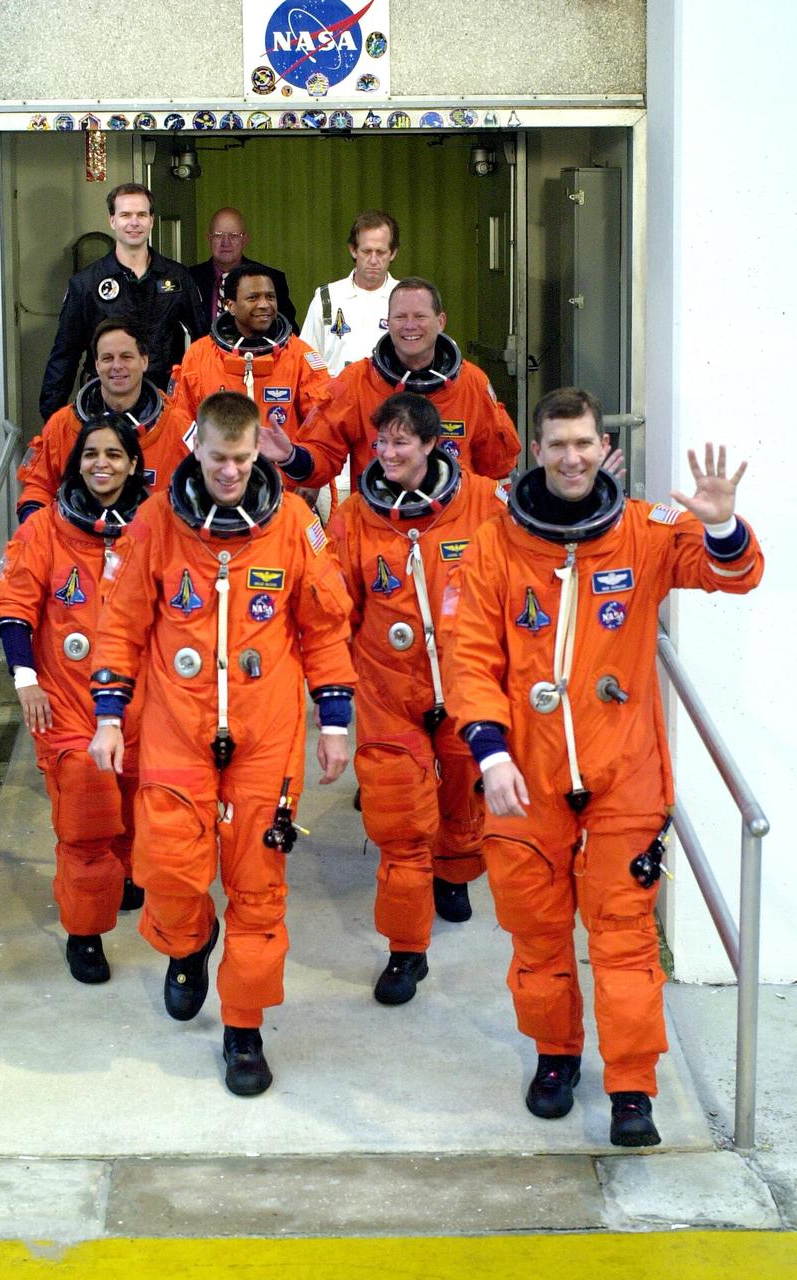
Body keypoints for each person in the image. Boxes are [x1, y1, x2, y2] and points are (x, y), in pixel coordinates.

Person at [444, 387, 764, 1148]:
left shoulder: (643, 531)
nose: (571, 456)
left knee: (621, 936)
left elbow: (732, 574)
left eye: (582, 442)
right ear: (537, 451)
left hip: (624, 774)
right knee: (536, 931)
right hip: (525, 776)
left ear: (601, 446)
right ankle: (554, 1056)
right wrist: (488, 754)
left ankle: (631, 1088)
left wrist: (719, 524)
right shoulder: (493, 545)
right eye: (557, 444)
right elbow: (469, 661)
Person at [88, 391, 356, 1097]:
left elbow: (324, 628)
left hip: (264, 737)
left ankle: (243, 1032)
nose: (231, 472)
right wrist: (110, 716)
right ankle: (188, 943)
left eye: (242, 459)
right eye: (218, 458)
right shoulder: (155, 524)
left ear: (255, 452)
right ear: (195, 451)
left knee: (258, 889)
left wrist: (333, 723)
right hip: (177, 728)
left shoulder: (294, 523)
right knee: (169, 872)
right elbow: (119, 625)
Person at [328, 392, 507, 1005]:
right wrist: (337, 688)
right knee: (401, 825)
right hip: (388, 690)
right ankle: (407, 951)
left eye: (402, 442)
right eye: (381, 443)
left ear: (432, 445)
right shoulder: (354, 517)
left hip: (464, 685)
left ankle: (455, 869)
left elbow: (521, 570)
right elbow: (334, 608)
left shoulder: (481, 501)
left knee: (461, 792)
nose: (388, 453)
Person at [0, 416, 151, 984]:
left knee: (136, 804)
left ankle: (127, 872)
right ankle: (86, 934)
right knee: (87, 813)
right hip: (67, 703)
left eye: (113, 453)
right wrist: (25, 679)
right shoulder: (45, 531)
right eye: (90, 454)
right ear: (75, 462)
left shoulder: (157, 528)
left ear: (134, 463)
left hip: (142, 701)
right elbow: (14, 606)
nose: (100, 463)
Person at [258, 277, 520, 491]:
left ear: (441, 322)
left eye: (420, 316)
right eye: (400, 317)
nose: (409, 326)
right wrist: (292, 456)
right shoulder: (356, 382)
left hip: (452, 530)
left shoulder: (471, 383)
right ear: (387, 322)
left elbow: (498, 467)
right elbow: (322, 452)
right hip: (377, 524)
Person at [39, 183, 206, 418]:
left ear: (152, 220)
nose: (134, 222)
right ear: (112, 221)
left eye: (141, 215)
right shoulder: (86, 284)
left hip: (166, 404)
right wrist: (51, 419)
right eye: (125, 215)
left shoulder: (177, 278)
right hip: (105, 403)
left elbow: (205, 345)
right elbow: (65, 355)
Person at [20, 318, 191, 522]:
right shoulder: (63, 425)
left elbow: (200, 492)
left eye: (126, 357)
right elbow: (38, 487)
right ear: (97, 364)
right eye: (108, 358)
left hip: (151, 547)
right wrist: (35, 526)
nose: (117, 366)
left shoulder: (178, 426)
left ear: (144, 361)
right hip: (77, 546)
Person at [169, 265, 328, 440]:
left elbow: (321, 426)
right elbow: (181, 425)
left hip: (281, 465)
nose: (264, 305)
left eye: (270, 297)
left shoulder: (300, 355)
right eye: (253, 298)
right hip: (219, 465)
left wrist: (293, 459)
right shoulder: (200, 355)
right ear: (231, 305)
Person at [300, 210, 400, 376]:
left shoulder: (406, 299)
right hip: (335, 398)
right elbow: (307, 356)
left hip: (389, 398)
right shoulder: (327, 297)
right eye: (367, 251)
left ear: (393, 253)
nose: (374, 260)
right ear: (353, 250)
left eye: (380, 252)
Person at [190, 207, 298, 333]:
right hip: (201, 352)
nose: (226, 243)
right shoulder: (189, 278)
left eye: (234, 236)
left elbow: (288, 332)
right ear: (209, 239)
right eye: (218, 236)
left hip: (258, 351)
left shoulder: (271, 279)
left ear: (245, 240)